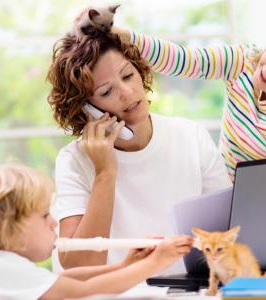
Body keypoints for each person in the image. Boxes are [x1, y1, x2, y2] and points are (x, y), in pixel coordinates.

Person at [46, 30, 231, 272]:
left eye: (127, 75)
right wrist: (105, 172)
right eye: (106, 92)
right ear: (85, 110)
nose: (126, 92)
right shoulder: (74, 161)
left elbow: (229, 233)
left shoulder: (191, 136)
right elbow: (80, 267)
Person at [110, 23, 266, 179]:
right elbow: (186, 61)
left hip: (262, 203)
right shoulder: (242, 61)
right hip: (220, 187)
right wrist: (130, 37)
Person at [0, 164, 194, 300]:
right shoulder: (0, 269)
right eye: (44, 215)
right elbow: (84, 292)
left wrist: (126, 265)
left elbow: (70, 280)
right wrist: (157, 262)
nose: (53, 222)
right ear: (8, 228)